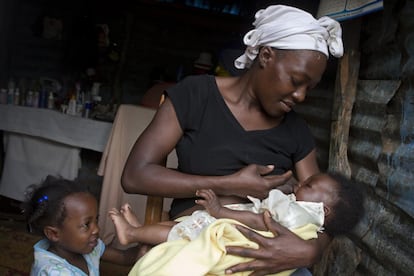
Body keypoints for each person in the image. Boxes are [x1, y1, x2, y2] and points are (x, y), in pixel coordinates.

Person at [121, 4, 344, 275]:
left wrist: (312, 250)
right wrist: (229, 184)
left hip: (266, 253)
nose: (301, 96)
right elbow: (134, 176)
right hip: (197, 240)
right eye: (296, 80)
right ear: (265, 56)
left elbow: (322, 212)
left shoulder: (296, 130)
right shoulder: (196, 96)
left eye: (310, 87)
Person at [109, 172, 363, 275]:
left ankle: (133, 232)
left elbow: (258, 219)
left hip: (229, 224)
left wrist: (220, 210)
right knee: (182, 227)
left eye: (307, 186)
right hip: (212, 212)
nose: (299, 184)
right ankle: (138, 233)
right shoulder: (302, 209)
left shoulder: (297, 214)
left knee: (182, 233)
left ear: (323, 209)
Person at [21, 176, 148, 276]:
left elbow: (124, 257)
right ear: (54, 234)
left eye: (96, 220)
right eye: (86, 225)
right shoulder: (54, 272)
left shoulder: (88, 246)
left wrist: (142, 240)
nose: (96, 229)